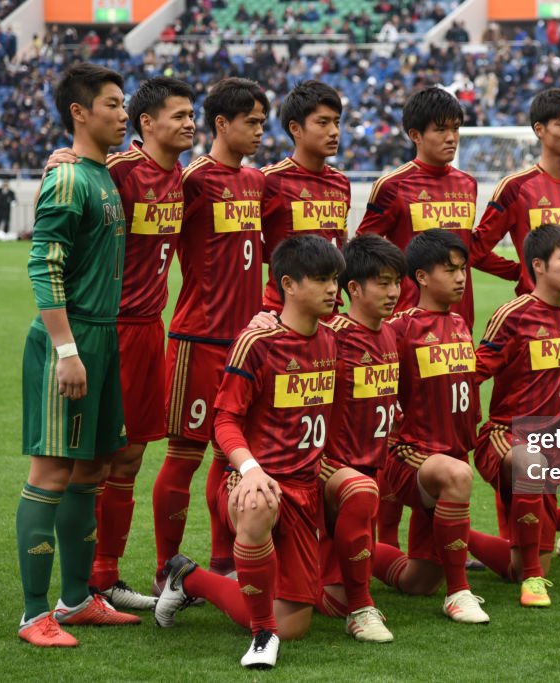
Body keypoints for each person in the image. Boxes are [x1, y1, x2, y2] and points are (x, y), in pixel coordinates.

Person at [43, 77, 198, 608]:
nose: (189, 123)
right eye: (178, 115)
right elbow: (77, 181)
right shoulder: (118, 173)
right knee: (96, 460)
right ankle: (84, 580)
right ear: (146, 122)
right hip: (110, 330)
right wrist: (59, 163)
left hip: (150, 329)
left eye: (192, 114)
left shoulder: (181, 177)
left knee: (130, 456)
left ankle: (105, 577)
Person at [164, 235, 345, 670]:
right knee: (259, 503)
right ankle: (262, 634)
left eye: (335, 279)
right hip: (251, 481)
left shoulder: (331, 341)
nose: (332, 289)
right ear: (288, 284)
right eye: (321, 279)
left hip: (304, 489)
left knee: (297, 626)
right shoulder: (256, 341)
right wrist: (249, 469)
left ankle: (190, 579)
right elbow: (224, 421)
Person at [15, 62, 138, 648]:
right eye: (113, 104)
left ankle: (74, 600)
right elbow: (44, 264)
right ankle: (33, 612)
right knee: (52, 471)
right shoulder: (68, 178)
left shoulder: (101, 174)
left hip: (105, 337)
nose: (123, 114)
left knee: (93, 471)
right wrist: (66, 349)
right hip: (72, 341)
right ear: (79, 114)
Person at [355, 85, 508, 553]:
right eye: (440, 130)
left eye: (455, 129)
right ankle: (384, 545)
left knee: (449, 433)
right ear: (414, 134)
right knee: (398, 436)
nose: (451, 138)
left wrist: (521, 274)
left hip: (455, 327)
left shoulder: (466, 183)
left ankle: (436, 548)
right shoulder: (393, 185)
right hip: (403, 330)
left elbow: (471, 251)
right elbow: (364, 251)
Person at [153, 78, 270, 594]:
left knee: (230, 455)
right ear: (221, 124)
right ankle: (165, 570)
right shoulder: (193, 180)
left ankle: (222, 560)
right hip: (198, 340)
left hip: (242, 343)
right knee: (185, 454)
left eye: (264, 123)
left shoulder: (255, 181)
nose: (260, 132)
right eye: (252, 122)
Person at [467, 224, 560, 607]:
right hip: (509, 436)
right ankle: (534, 582)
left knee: (519, 564)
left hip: (554, 446)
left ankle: (452, 532)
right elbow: (474, 372)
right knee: (531, 462)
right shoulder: (514, 314)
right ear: (538, 265)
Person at [370, 229, 490, 625]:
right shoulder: (400, 327)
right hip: (411, 456)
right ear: (421, 276)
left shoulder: (457, 323)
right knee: (457, 475)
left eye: (463, 269)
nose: (460, 278)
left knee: (419, 581)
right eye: (449, 270)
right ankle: (459, 594)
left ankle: (346, 551)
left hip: (448, 456)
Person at [314, 234, 405, 642]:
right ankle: (360, 605)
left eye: (397, 282)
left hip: (372, 466)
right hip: (331, 472)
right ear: (353, 288)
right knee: (329, 601)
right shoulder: (332, 336)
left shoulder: (389, 334)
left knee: (423, 576)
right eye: (383, 282)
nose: (393, 292)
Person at [469, 88, 560, 309]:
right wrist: (518, 272)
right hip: (531, 321)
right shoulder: (515, 188)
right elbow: (475, 250)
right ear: (540, 129)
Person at [260, 80, 350, 314]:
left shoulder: (341, 183)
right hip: (282, 314)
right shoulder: (268, 181)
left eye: (337, 122)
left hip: (331, 316)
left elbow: (340, 240)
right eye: (323, 122)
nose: (334, 131)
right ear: (295, 128)